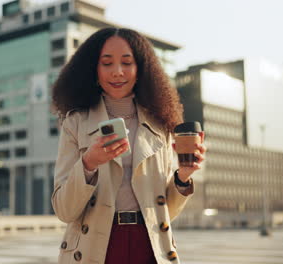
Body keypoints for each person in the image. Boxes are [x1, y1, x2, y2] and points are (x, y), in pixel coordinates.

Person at [51, 27, 206, 264]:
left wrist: (182, 178)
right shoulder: (75, 123)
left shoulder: (159, 125)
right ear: (94, 68)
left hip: (150, 247)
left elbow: (166, 213)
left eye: (127, 62)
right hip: (96, 248)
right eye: (107, 63)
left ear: (140, 69)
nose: (118, 72)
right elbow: (65, 210)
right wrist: (88, 163)